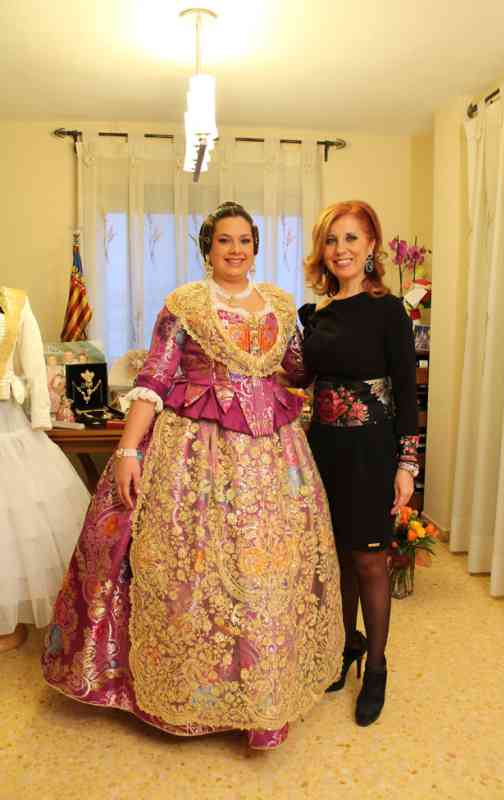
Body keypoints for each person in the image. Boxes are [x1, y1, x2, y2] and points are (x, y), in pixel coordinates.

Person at [42, 202, 344, 750]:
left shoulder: (279, 304)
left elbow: (297, 369)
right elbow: (155, 378)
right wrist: (128, 451)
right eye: (224, 240)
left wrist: (325, 328)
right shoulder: (185, 305)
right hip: (197, 457)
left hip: (273, 458)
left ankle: (264, 697)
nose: (235, 250)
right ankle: (196, 695)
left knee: (267, 572)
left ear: (256, 247)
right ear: (208, 248)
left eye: (244, 240)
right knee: (197, 571)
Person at [298, 200, 419, 726]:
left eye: (351, 238)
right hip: (324, 449)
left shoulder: (389, 311)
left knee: (370, 561)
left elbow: (407, 394)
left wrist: (406, 464)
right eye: (331, 240)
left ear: (371, 245)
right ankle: (347, 646)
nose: (340, 249)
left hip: (372, 451)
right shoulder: (316, 315)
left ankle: (377, 667)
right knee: (338, 559)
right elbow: (298, 379)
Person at [0, 287, 90, 652]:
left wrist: (40, 416)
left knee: (15, 524)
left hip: (6, 421)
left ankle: (6, 621)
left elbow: (35, 364)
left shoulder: (15, 302)